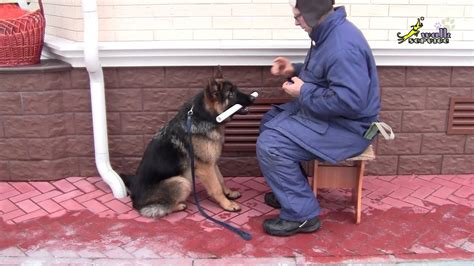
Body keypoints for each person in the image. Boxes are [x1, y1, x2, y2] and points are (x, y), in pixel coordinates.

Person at [256, 0, 381, 236]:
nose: (296, 21)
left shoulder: (342, 45)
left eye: (299, 16)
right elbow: (325, 72)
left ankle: (301, 216)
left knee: (272, 145)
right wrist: (292, 70)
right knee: (270, 120)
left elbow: (350, 101)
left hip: (349, 129)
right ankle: (292, 193)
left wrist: (302, 91)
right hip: (332, 119)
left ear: (313, 14)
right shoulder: (328, 33)